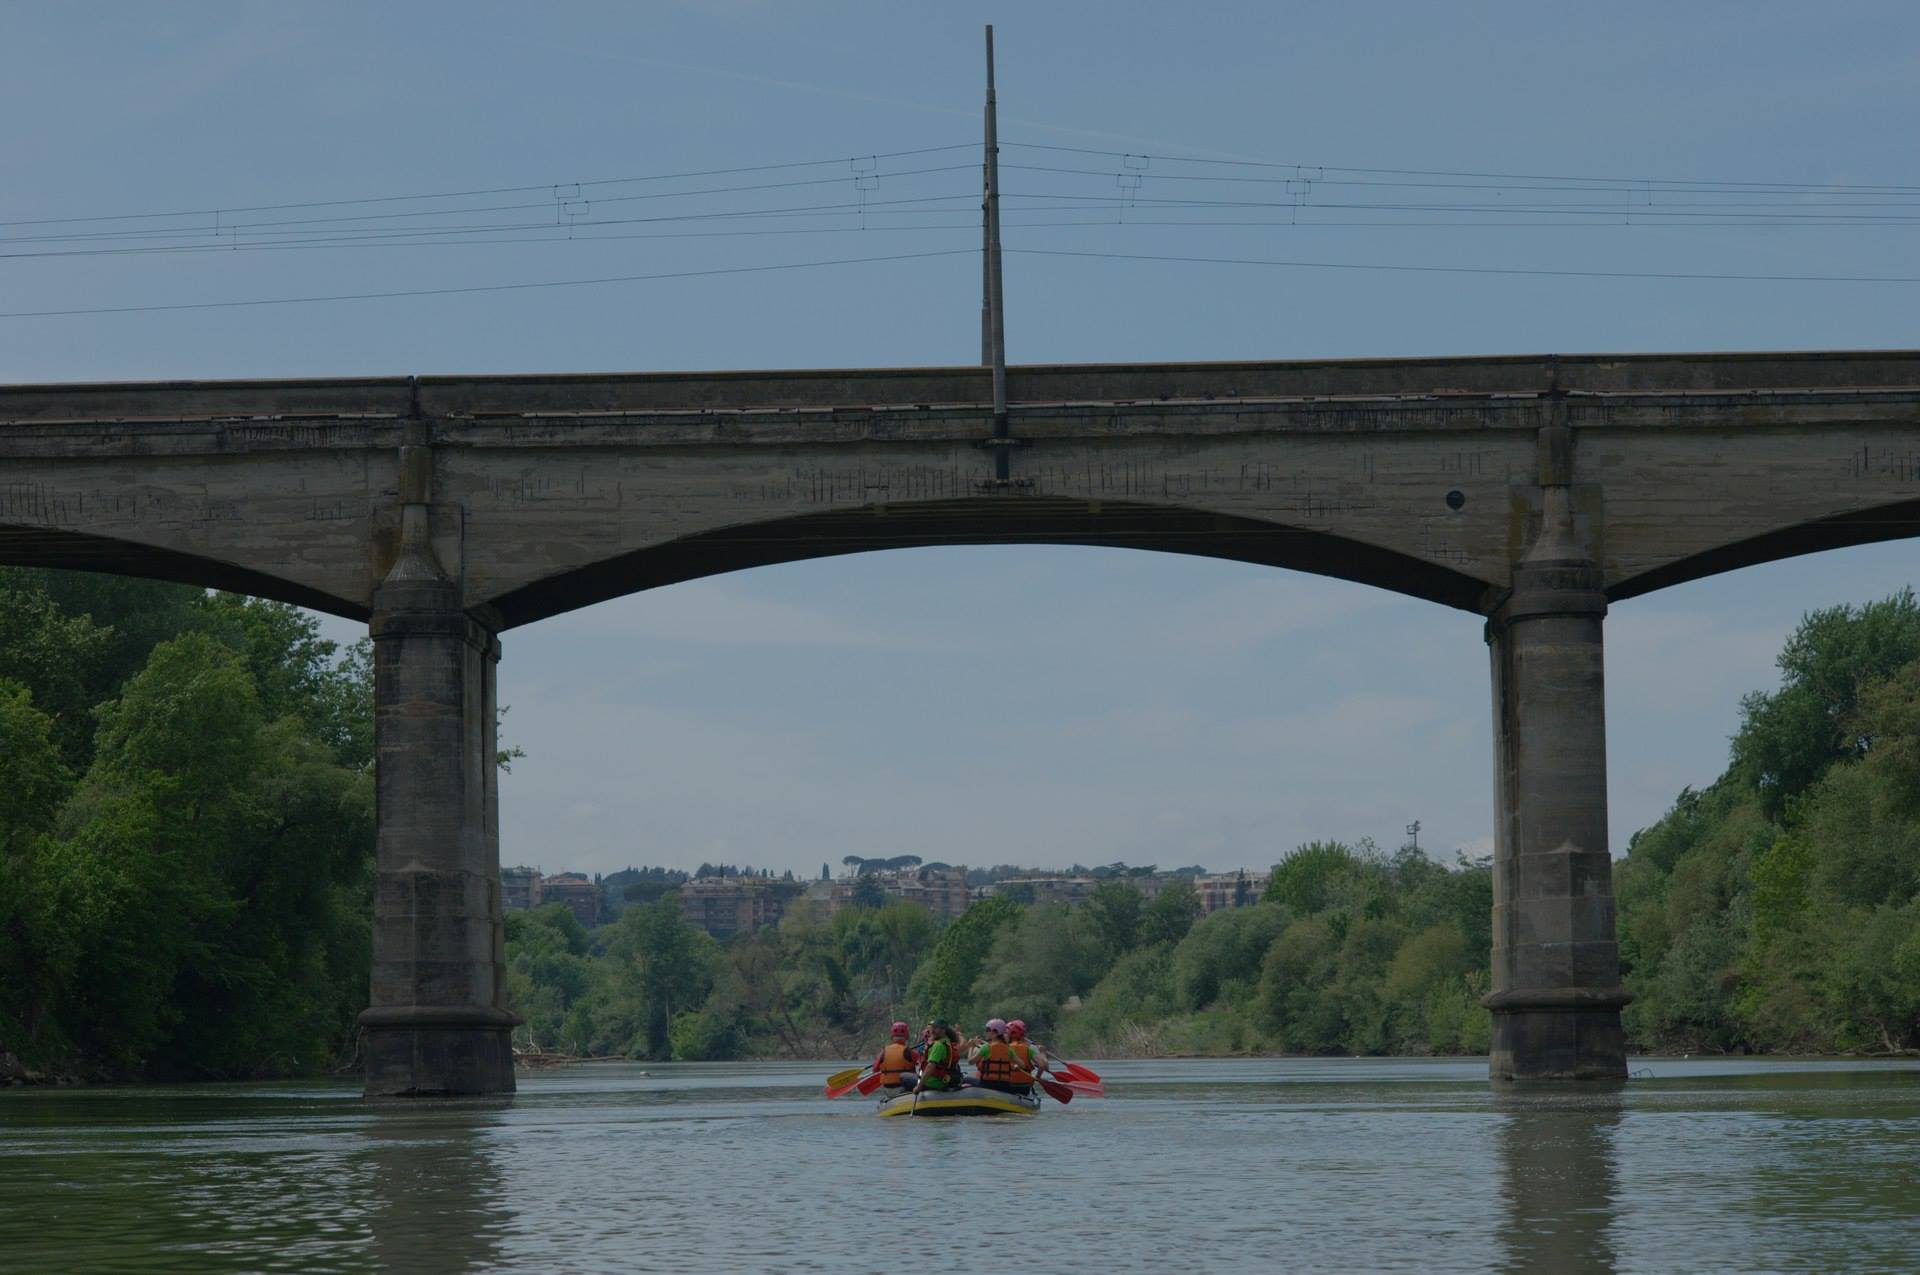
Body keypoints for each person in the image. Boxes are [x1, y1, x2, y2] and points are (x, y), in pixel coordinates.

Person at [970, 1018, 1021, 1093]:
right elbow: (1022, 1064)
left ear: (995, 1032)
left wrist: (971, 1047)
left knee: (965, 1080)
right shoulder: (1008, 1049)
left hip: (987, 1085)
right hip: (1004, 1086)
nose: (985, 1032)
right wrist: (1016, 1066)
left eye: (987, 1030)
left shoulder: (986, 1047)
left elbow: (970, 1062)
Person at [871, 1021, 920, 1092]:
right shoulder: (909, 1052)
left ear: (891, 1036)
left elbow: (875, 1069)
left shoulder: (883, 1051)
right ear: (906, 1036)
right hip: (904, 1088)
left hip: (887, 1089)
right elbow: (922, 1066)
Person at [918, 1018, 960, 1091]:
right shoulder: (947, 1041)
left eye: (936, 1028)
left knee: (904, 1077)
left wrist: (919, 1087)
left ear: (943, 1030)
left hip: (932, 1083)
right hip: (940, 1081)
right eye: (933, 1027)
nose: (933, 1030)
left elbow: (930, 1067)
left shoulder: (938, 1045)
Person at [1005, 1019, 1046, 1094]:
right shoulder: (1028, 1049)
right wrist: (1036, 1078)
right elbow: (1042, 1065)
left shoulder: (1003, 1048)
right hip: (1025, 1087)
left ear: (1010, 1034)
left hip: (1007, 1086)